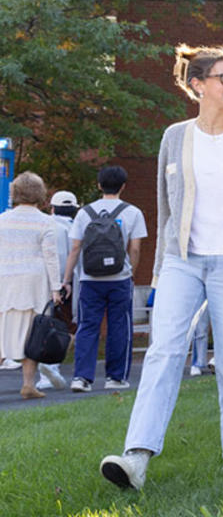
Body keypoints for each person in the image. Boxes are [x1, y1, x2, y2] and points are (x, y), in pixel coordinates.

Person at [100, 44, 223, 490]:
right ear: (197, 84)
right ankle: (136, 459)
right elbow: (166, 209)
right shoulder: (174, 138)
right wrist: (161, 270)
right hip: (182, 262)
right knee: (163, 352)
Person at [65, 165, 146, 392]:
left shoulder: (84, 213)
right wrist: (132, 273)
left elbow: (75, 248)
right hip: (120, 278)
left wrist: (66, 279)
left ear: (99, 185)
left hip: (90, 279)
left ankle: (82, 377)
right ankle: (115, 377)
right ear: (123, 186)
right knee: (119, 327)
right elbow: (136, 249)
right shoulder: (133, 212)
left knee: (87, 326)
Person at [0, 172, 65, 399]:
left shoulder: (2, 220)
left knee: (2, 332)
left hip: (5, 282)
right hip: (34, 284)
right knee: (33, 334)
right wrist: (56, 288)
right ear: (40, 194)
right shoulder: (46, 221)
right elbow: (51, 257)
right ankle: (28, 384)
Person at [37, 189, 80, 390]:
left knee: (45, 324)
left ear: (52, 208)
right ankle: (52, 365)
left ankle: (46, 366)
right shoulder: (76, 227)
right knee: (66, 327)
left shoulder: (46, 224)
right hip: (72, 284)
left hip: (46, 283)